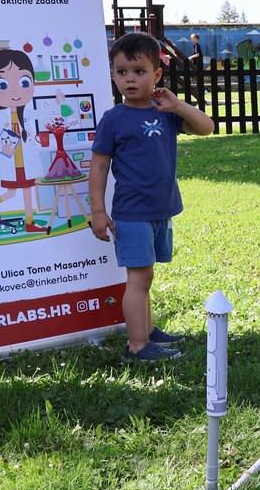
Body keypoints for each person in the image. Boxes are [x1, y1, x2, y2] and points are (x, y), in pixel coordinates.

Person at [89, 31, 215, 361]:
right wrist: (98, 211)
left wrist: (179, 105)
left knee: (146, 275)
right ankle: (137, 345)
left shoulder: (166, 112)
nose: (129, 79)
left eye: (139, 71)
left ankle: (147, 330)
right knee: (139, 277)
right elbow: (99, 167)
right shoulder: (114, 119)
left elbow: (207, 127)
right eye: (121, 72)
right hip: (132, 213)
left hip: (161, 209)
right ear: (113, 74)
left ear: (157, 75)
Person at [0, 48, 45, 233]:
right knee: (12, 192)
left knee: (28, 191)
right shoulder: (1, 116)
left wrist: (58, 103)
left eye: (24, 82)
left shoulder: (26, 113)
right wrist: (2, 147)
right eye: (2, 84)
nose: (15, 90)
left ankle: (30, 223)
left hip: (25, 162)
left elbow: (42, 114)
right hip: (12, 163)